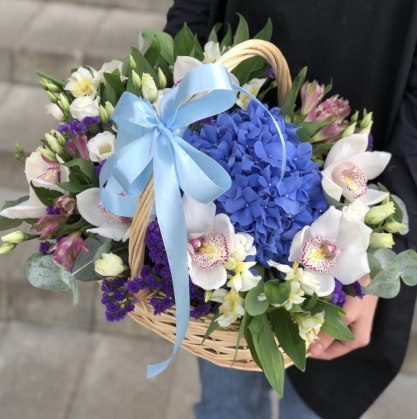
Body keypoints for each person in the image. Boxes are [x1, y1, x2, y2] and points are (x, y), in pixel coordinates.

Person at [164, 1, 417, 418]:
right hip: (215, 162)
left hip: (354, 208)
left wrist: (377, 263)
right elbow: (194, 11)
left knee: (316, 400)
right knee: (225, 401)